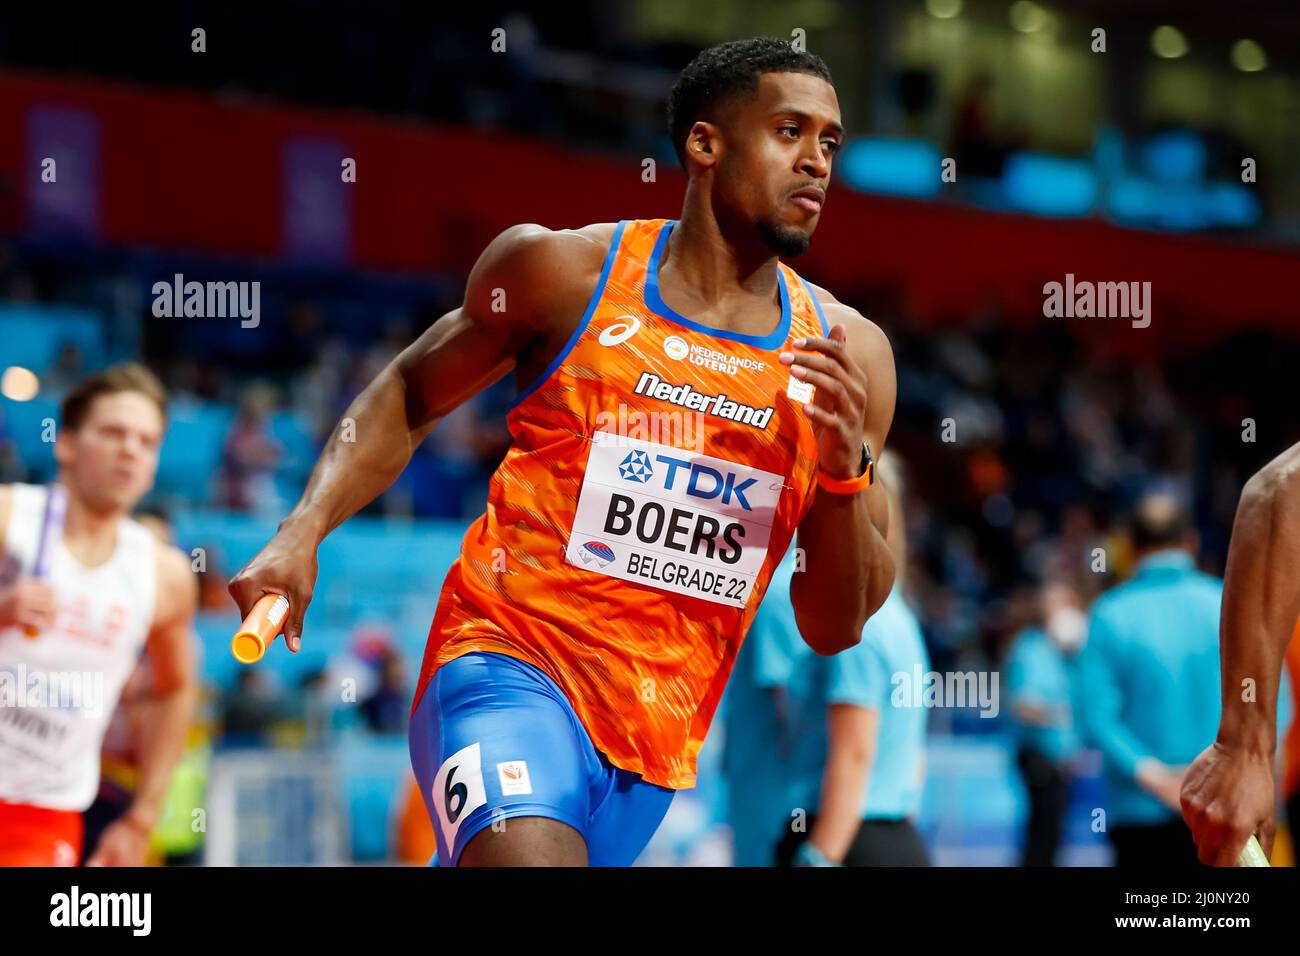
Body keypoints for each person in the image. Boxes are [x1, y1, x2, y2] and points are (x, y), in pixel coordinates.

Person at [230, 36, 899, 867]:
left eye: (830, 142)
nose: (817, 163)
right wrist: (302, 530)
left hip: (650, 747)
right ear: (704, 143)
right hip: (505, 663)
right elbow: (410, 390)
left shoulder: (848, 354)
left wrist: (842, 473)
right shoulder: (565, 273)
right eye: (790, 132)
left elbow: (834, 627)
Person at [0, 363, 199, 866]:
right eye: (113, 433)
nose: (130, 450)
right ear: (65, 443)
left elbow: (175, 689)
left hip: (42, 814)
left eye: (146, 441)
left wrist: (141, 818)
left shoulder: (164, 573)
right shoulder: (8, 518)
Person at [1076, 492, 1290, 866]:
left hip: (1141, 815)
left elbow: (1095, 717)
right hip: (1228, 816)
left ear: (1129, 546)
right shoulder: (1228, 601)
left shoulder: (1109, 614)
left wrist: (1153, 775)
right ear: (1190, 541)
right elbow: (1280, 701)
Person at [762, 454, 931, 866]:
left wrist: (821, 855)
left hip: (847, 839)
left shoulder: (857, 629)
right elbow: (913, 757)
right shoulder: (899, 617)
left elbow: (854, 753)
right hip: (888, 836)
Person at [1182, 442, 1300, 865]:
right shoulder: (1248, 599)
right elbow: (1283, 487)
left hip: (1211, 796)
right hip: (1244, 794)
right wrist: (1244, 749)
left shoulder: (1108, 614)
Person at [1004, 581, 1085, 866]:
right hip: (1038, 758)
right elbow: (1023, 705)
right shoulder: (1030, 648)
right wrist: (1057, 716)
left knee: (1053, 833)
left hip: (1062, 761)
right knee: (1042, 832)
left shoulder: (1072, 654)